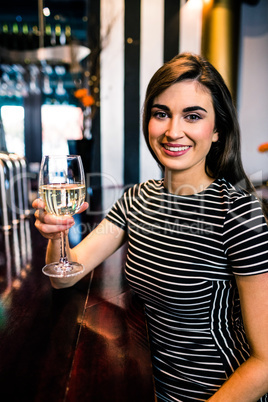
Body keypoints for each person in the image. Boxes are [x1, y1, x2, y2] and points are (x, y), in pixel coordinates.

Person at [33, 52, 268, 401]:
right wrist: (57, 236)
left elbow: (265, 362)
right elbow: (65, 275)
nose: (174, 131)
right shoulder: (137, 200)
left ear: (217, 130)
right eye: (162, 114)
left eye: (193, 116)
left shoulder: (237, 213)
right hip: (150, 387)